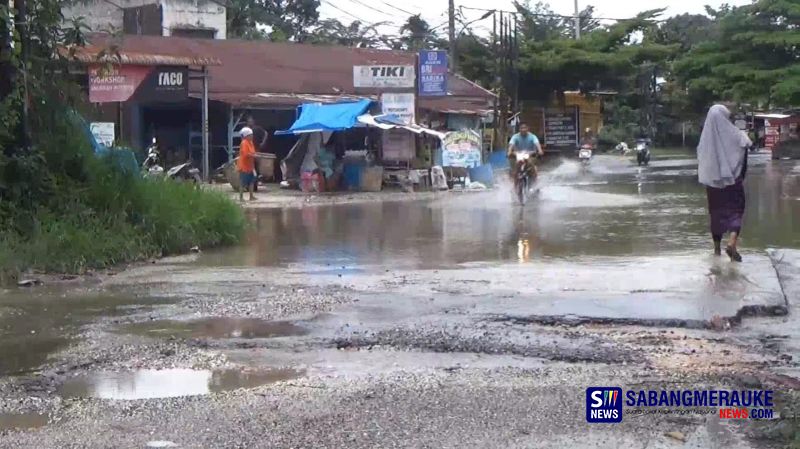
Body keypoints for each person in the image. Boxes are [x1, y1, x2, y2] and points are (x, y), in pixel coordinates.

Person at [697, 104, 752, 262]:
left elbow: (702, 162)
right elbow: (745, 156)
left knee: (716, 214)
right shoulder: (738, 135)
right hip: (734, 181)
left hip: (713, 185)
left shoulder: (705, 142)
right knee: (736, 211)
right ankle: (732, 242)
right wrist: (739, 177)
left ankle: (716, 251)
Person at [238, 127, 257, 201]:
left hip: (250, 166)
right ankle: (241, 197)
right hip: (244, 166)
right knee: (243, 182)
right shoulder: (244, 143)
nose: (252, 136)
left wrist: (254, 155)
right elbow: (246, 154)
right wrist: (253, 155)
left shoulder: (250, 142)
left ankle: (251, 196)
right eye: (251, 135)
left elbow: (253, 152)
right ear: (246, 136)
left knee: (252, 181)